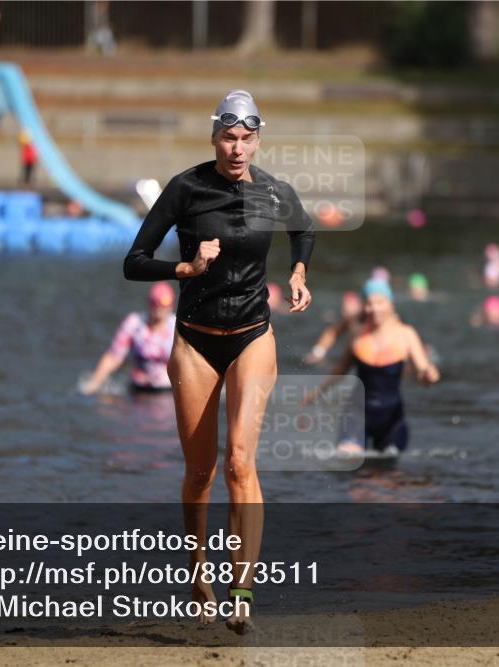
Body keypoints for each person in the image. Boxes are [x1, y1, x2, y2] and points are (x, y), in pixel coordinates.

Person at [123, 90, 314, 633]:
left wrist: (299, 273)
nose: (237, 148)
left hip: (253, 335)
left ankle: (242, 593)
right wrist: (185, 268)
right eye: (228, 138)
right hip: (196, 342)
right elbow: (134, 263)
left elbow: (304, 230)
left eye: (246, 139)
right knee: (201, 471)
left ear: (257, 139)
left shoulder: (275, 191)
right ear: (214, 138)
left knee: (240, 463)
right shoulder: (187, 188)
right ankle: (199, 573)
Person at [303, 279, 439, 457]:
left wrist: (429, 375)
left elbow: (423, 372)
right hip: (356, 415)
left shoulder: (406, 334)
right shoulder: (356, 334)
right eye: (369, 303)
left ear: (391, 304)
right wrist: (316, 393)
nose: (374, 309)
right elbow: (340, 371)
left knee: (388, 473)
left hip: (391, 418)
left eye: (380, 302)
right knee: (347, 462)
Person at [79, 282, 177, 395]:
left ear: (172, 305)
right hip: (139, 392)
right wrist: (94, 383)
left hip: (168, 393)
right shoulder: (135, 323)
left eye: (165, 305)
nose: (160, 309)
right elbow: (113, 357)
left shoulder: (177, 327)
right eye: (156, 304)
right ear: (149, 303)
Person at [303, 290, 363, 365]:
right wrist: (317, 353)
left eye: (351, 306)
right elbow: (332, 333)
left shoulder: (366, 319)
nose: (347, 310)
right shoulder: (344, 322)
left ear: (360, 306)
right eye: (345, 308)